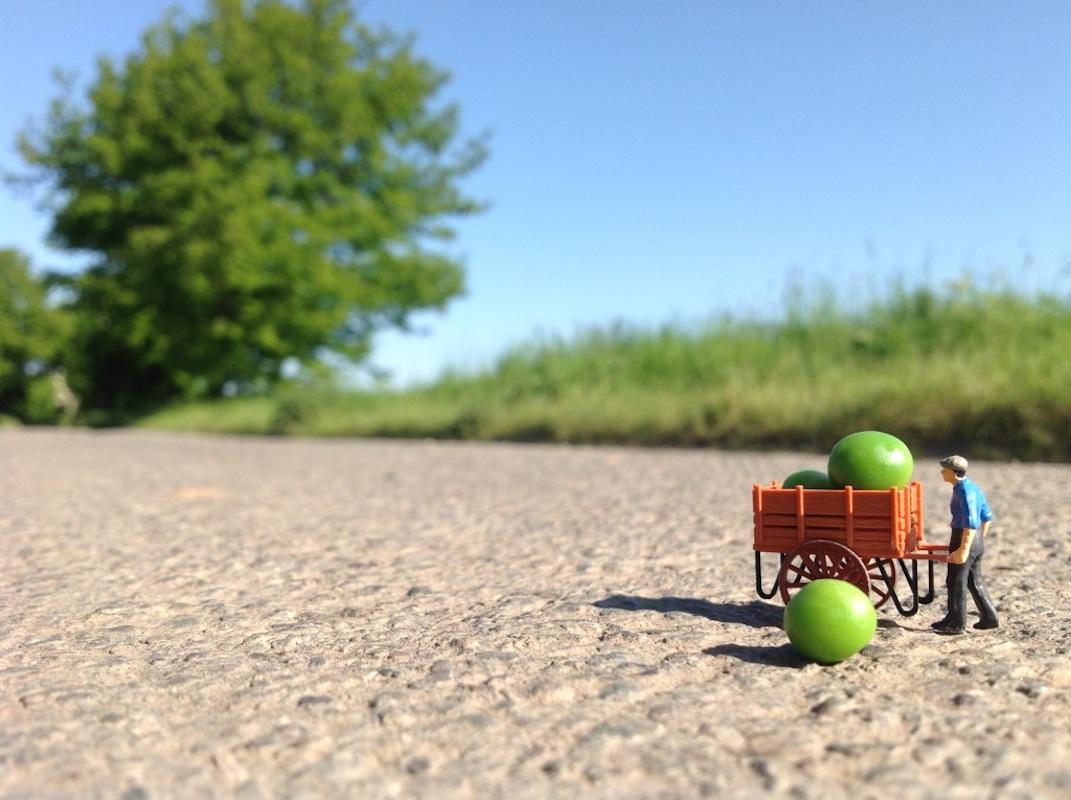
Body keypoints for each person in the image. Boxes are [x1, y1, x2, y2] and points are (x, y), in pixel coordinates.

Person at [931, 455, 999, 634]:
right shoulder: (973, 487)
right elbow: (987, 516)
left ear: (953, 473)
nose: (941, 473)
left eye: (944, 470)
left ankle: (957, 623)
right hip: (975, 539)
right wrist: (979, 540)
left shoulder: (964, 491)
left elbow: (971, 521)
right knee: (973, 581)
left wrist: (963, 549)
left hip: (964, 538)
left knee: (955, 581)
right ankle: (989, 617)